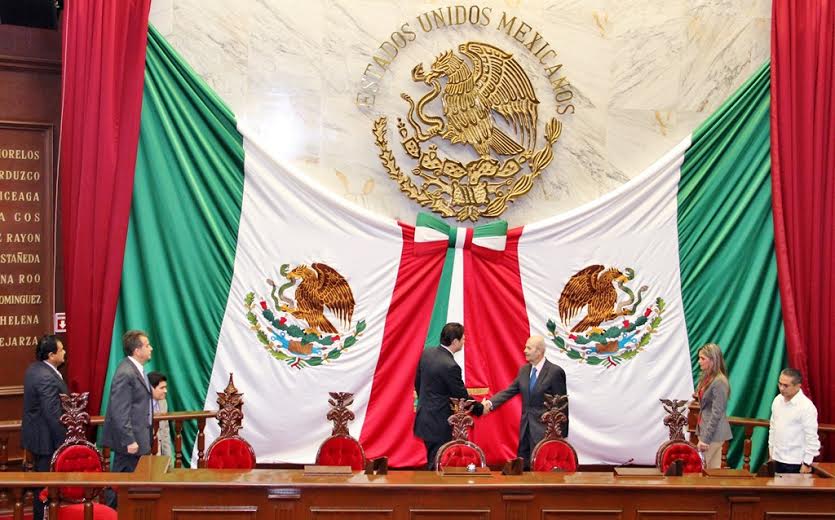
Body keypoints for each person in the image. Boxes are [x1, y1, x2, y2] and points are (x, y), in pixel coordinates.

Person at [482, 335, 568, 468]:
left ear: (539, 351)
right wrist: (489, 403)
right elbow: (509, 391)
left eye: (529, 348)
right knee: (525, 467)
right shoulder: (524, 370)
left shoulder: (555, 372)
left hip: (545, 431)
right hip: (526, 428)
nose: (524, 350)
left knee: (542, 468)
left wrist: (561, 434)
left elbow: (562, 405)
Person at [413, 322, 484, 469]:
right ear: (455, 342)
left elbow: (417, 383)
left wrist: (427, 403)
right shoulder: (450, 366)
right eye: (463, 339)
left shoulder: (427, 353)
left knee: (432, 458)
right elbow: (461, 396)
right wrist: (481, 408)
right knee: (437, 463)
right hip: (439, 422)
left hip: (424, 416)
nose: (465, 341)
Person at [21, 335, 68, 520]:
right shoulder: (45, 376)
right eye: (61, 349)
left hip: (39, 437)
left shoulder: (36, 369)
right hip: (46, 439)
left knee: (43, 484)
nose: (65, 352)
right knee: (45, 486)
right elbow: (52, 413)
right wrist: (64, 444)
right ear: (51, 355)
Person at [102, 330, 154, 475]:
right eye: (147, 345)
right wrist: (129, 440)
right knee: (124, 487)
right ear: (137, 350)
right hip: (131, 442)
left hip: (139, 438)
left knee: (131, 486)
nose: (151, 348)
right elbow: (119, 411)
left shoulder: (135, 370)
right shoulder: (125, 373)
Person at [768, 368, 820, 473]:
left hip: (795, 462)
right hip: (776, 459)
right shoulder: (777, 400)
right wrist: (771, 452)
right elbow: (773, 428)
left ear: (798, 386)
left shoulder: (806, 407)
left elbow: (812, 438)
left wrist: (806, 463)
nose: (781, 388)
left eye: (786, 385)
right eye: (780, 384)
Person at [695, 343, 732, 469]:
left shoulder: (719, 381)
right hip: (707, 430)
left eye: (702, 358)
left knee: (704, 471)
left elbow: (717, 413)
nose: (699, 361)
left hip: (712, 435)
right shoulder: (707, 378)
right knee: (712, 471)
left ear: (713, 360)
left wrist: (705, 438)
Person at [147, 371, 171, 457]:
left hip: (160, 453)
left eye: (166, 387)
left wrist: (168, 460)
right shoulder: (140, 405)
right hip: (145, 455)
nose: (166, 391)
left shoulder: (163, 403)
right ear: (150, 388)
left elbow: (165, 432)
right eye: (162, 388)